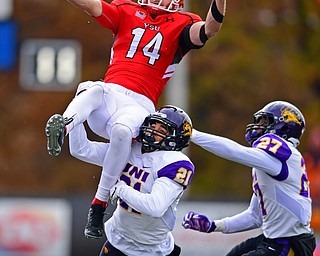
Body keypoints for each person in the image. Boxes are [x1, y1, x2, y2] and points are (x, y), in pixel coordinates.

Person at [45, 0, 226, 239]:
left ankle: (98, 205)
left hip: (140, 105)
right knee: (92, 89)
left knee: (121, 131)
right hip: (110, 93)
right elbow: (91, 6)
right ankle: (64, 125)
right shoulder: (127, 9)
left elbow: (210, 29)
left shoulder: (183, 23)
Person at [181, 101, 316, 256]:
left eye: (265, 122)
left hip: (291, 243)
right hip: (275, 239)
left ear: (284, 127)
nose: (258, 127)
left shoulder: (284, 156)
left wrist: (194, 135)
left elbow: (235, 152)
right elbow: (254, 216)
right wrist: (214, 226)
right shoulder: (269, 163)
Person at [68, 105, 194, 255]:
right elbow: (81, 149)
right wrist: (76, 114)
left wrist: (121, 189)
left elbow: (155, 207)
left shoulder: (175, 162)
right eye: (152, 125)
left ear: (176, 139)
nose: (152, 131)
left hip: (153, 251)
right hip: (118, 241)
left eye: (161, 131)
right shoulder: (129, 148)